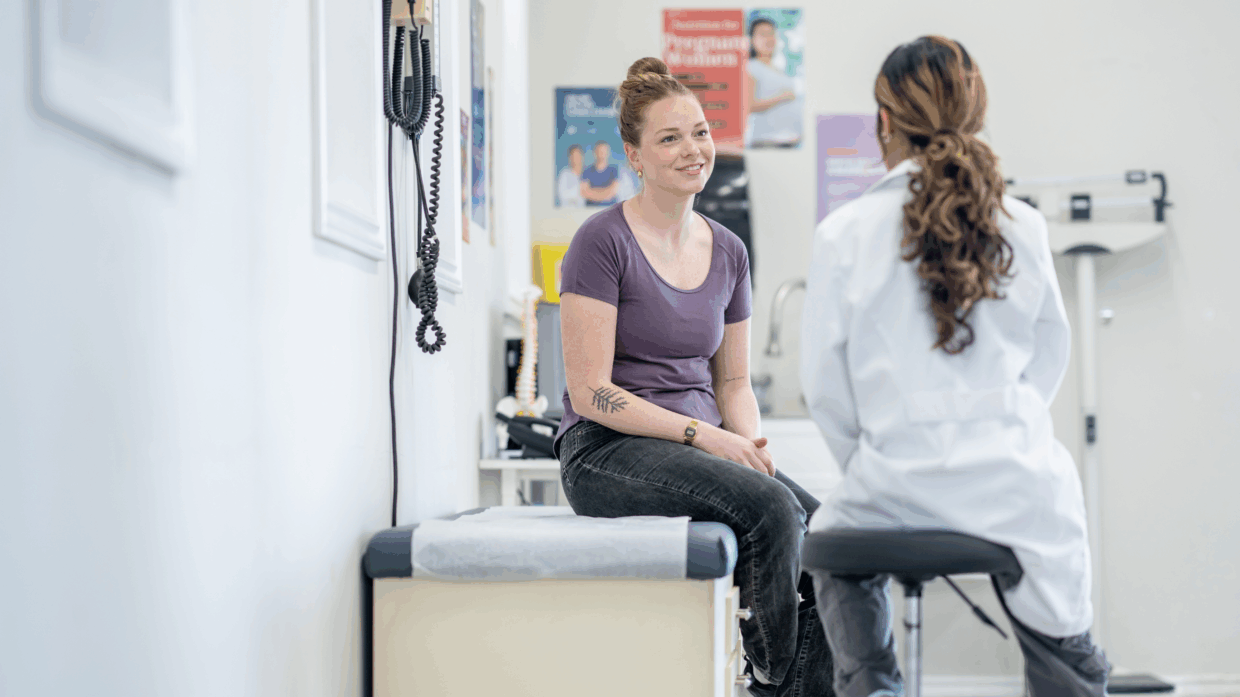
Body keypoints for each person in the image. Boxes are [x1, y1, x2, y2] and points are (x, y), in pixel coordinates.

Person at [800, 36, 1110, 697]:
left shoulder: (843, 233)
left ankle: (873, 686)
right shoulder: (1020, 225)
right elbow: (1047, 359)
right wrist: (995, 429)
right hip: (1017, 485)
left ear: (883, 122)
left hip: (892, 486)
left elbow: (827, 392)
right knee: (1072, 656)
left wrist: (885, 458)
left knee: (828, 546)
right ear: (975, 111)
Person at [554, 56, 835, 697]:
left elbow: (733, 384)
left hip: (697, 445)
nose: (693, 150)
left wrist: (749, 445)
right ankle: (771, 681)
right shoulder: (600, 242)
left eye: (701, 132)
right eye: (670, 138)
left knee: (827, 540)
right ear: (635, 154)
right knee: (771, 511)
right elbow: (589, 391)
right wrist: (705, 438)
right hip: (605, 451)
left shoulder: (730, 251)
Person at [746, 18, 802, 148]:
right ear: (752, 39)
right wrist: (782, 97)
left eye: (771, 33)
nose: (768, 38)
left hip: (788, 141)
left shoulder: (778, 69)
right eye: (763, 34)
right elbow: (748, 105)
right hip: (767, 142)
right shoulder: (751, 67)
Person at [580, 141, 620, 206]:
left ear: (608, 153)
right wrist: (605, 192)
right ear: (594, 153)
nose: (602, 154)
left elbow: (612, 192)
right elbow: (584, 192)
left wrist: (592, 192)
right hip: (590, 210)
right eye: (599, 152)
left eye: (604, 152)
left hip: (610, 210)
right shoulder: (587, 171)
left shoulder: (614, 170)